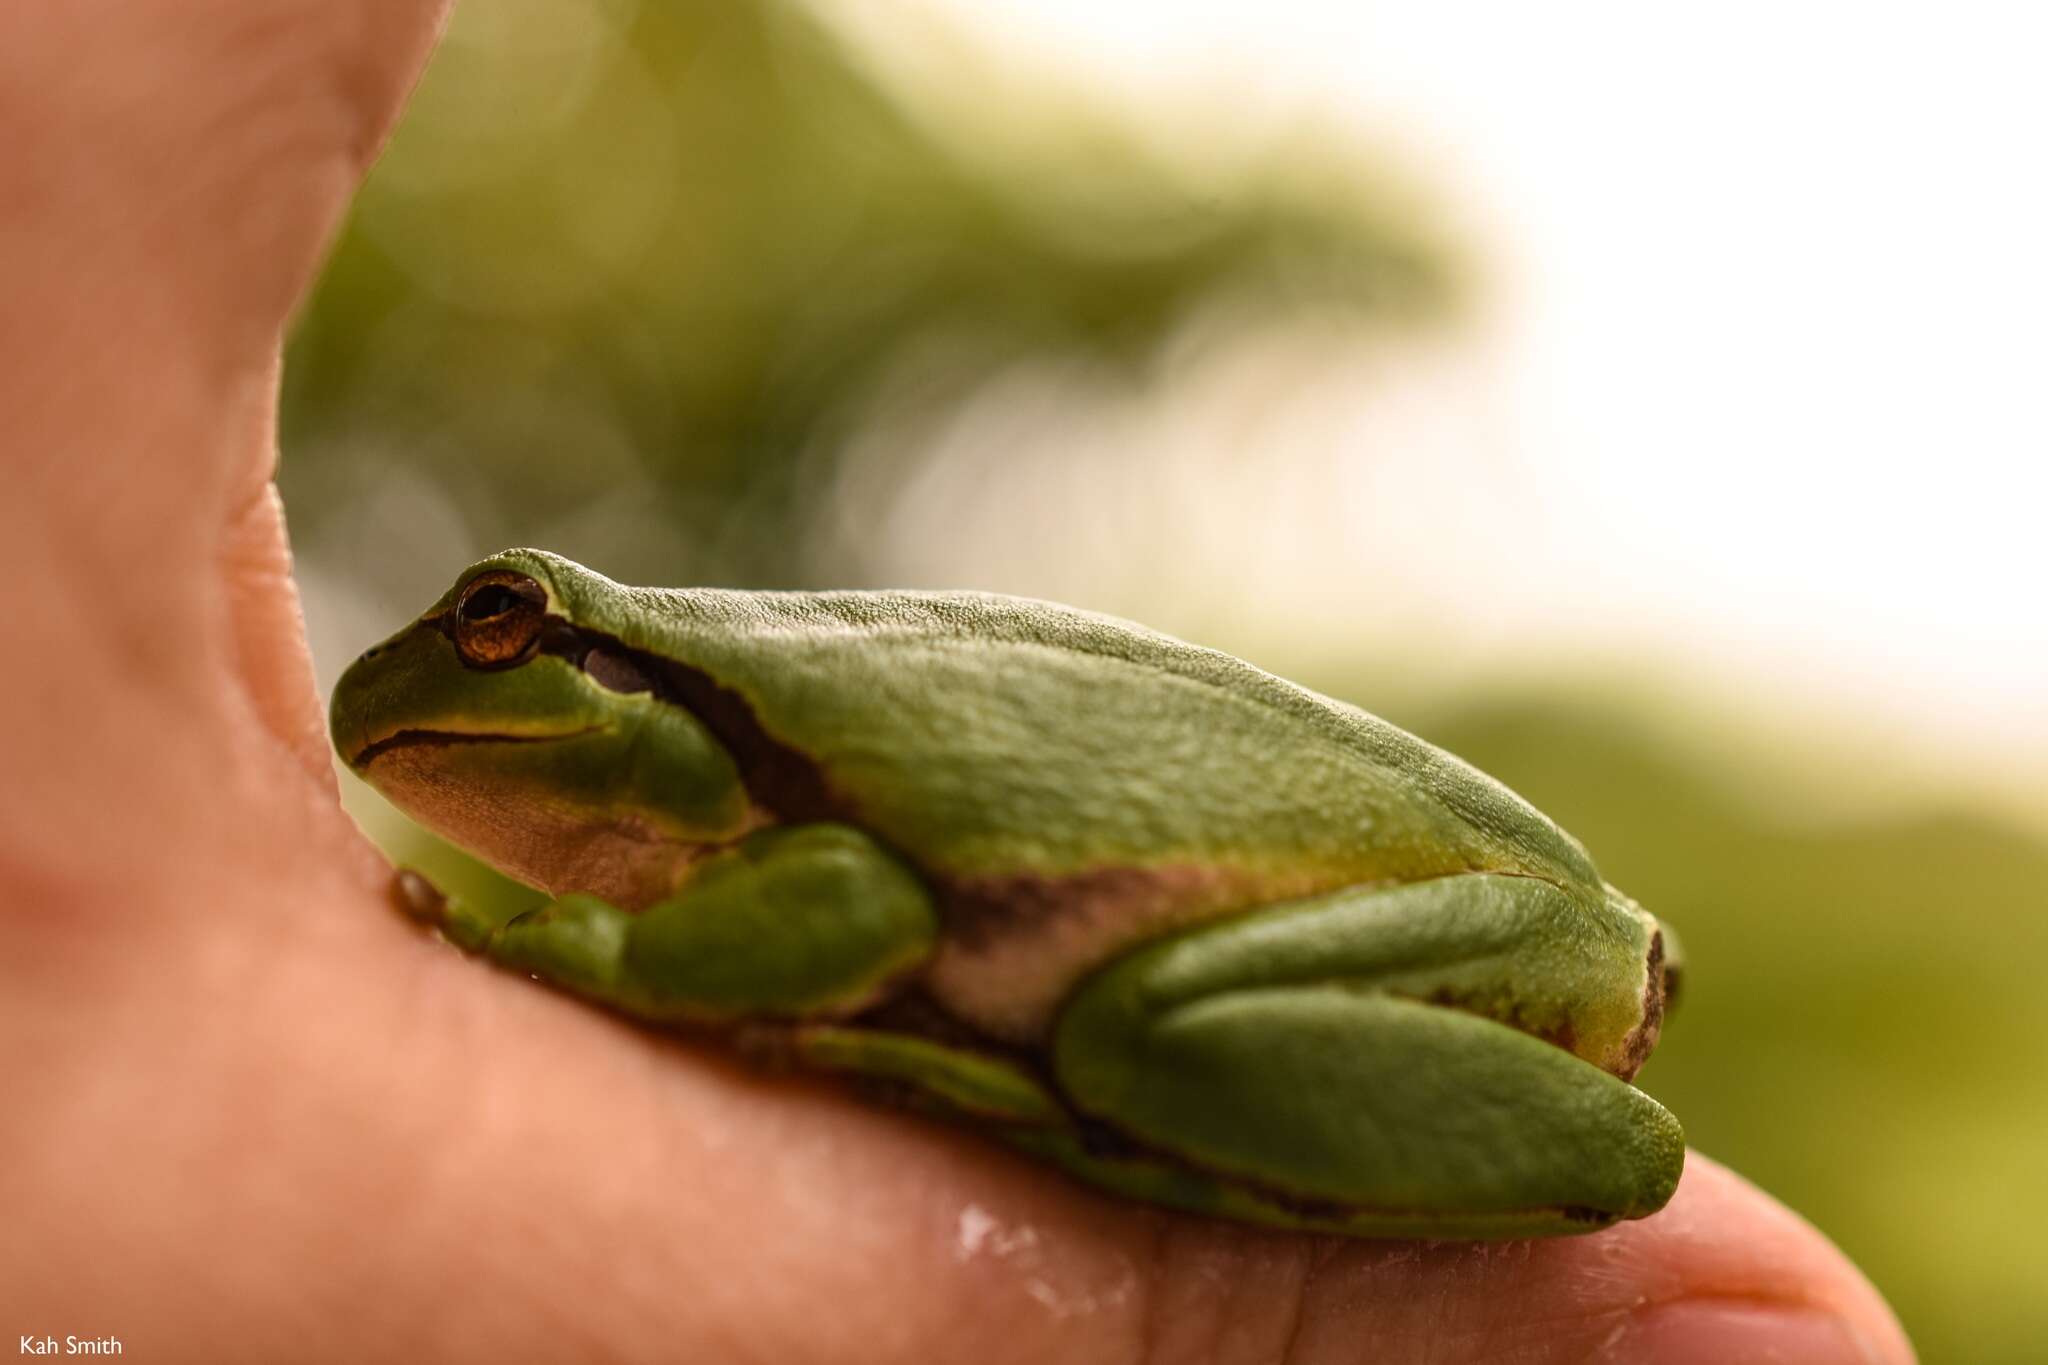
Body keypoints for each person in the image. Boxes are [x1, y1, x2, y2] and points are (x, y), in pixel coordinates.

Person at [0, 4, 1914, 1361]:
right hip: (1434, 899)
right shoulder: (757, 728)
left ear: (608, 667)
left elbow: (854, 893)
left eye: (498, 628)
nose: (441, 663)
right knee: (1128, 1008)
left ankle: (1108, 1107)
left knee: (1129, 1037)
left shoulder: (752, 811)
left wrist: (603, 967)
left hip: (1290, 944)